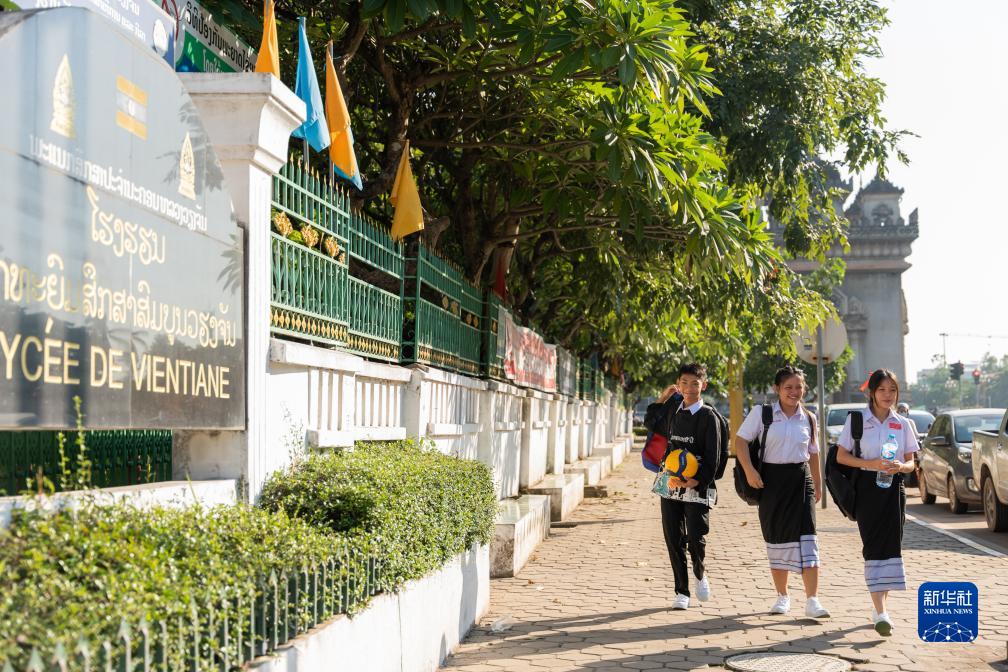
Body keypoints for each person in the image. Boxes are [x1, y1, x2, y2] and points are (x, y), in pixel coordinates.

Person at [734, 365, 830, 618]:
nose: (794, 392)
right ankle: (782, 596)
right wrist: (750, 471)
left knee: (808, 538)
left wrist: (818, 483)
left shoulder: (809, 418)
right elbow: (740, 441)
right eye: (788, 387)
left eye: (799, 387)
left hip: (801, 481)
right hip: (770, 482)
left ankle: (812, 600)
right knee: (776, 538)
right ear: (776, 388)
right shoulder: (762, 413)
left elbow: (813, 453)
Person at [836, 368, 919, 636]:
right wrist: (870, 463)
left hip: (894, 489)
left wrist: (900, 467)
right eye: (882, 389)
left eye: (892, 390)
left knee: (891, 546)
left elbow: (911, 462)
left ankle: (880, 608)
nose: (887, 395)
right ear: (871, 392)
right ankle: (881, 612)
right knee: (873, 546)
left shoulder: (903, 423)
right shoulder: (857, 420)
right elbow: (841, 457)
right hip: (866, 489)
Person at [643, 363, 721, 610]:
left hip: (697, 483)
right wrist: (663, 398)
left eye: (694, 383)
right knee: (673, 537)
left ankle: (699, 572)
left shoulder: (709, 417)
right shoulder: (673, 409)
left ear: (703, 386)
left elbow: (714, 456)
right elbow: (650, 422)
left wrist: (698, 480)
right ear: (678, 384)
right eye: (684, 383)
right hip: (669, 482)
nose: (689, 388)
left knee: (696, 536)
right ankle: (681, 591)